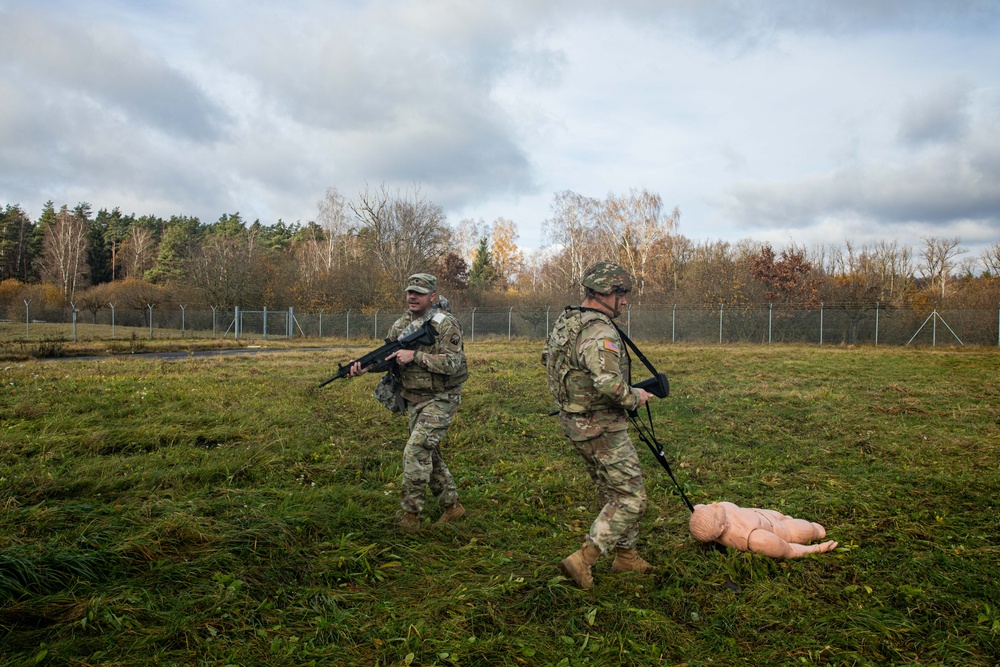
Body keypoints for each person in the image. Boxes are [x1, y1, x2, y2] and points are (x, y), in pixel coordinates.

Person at [543, 260, 658, 589]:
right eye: (622, 294)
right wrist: (635, 397)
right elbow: (609, 383)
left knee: (614, 490)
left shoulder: (570, 321)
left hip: (576, 422)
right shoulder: (599, 331)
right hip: (600, 426)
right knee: (631, 498)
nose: (625, 301)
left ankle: (626, 556)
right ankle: (584, 559)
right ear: (604, 292)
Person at [348, 273, 468, 531]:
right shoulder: (402, 324)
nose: (412, 297)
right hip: (413, 398)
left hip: (441, 398)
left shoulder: (446, 324)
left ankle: (410, 518)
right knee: (428, 454)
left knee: (415, 451)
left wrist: (415, 355)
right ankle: (453, 507)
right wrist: (365, 368)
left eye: (420, 293)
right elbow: (389, 357)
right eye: (410, 292)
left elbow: (452, 363)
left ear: (432, 297)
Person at [688, 501, 838, 558]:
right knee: (809, 530)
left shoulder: (715, 513)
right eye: (713, 512)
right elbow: (788, 550)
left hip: (765, 516)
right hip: (784, 530)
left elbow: (697, 510)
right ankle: (817, 532)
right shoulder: (756, 539)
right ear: (720, 529)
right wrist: (816, 549)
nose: (713, 504)